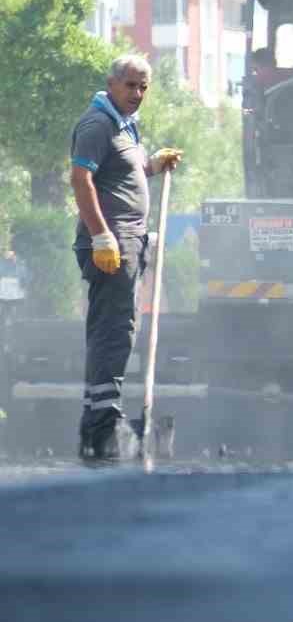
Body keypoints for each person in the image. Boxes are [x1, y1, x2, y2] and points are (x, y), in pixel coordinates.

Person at [69, 54, 183, 459]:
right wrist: (102, 236)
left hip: (127, 240)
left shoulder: (124, 126)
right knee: (115, 329)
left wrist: (151, 166)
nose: (137, 94)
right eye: (131, 85)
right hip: (111, 243)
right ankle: (104, 421)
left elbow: (119, 177)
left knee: (114, 326)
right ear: (112, 83)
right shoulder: (98, 124)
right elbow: (80, 179)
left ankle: (97, 418)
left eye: (143, 87)